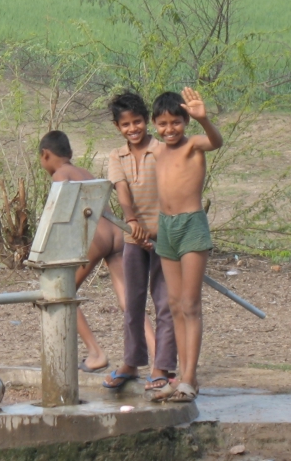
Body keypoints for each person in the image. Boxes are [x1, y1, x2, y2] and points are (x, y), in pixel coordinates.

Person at [38, 130, 155, 374]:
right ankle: (157, 353)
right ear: (70, 153)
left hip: (95, 236)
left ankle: (96, 353)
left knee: (61, 293)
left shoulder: (60, 175)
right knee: (128, 298)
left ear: (45, 155)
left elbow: (60, 214)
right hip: (116, 234)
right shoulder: (84, 172)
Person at [149, 88, 223, 402]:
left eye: (176, 123)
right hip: (166, 228)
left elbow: (216, 142)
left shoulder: (194, 145)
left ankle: (190, 378)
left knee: (191, 306)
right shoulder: (156, 151)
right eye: (163, 124)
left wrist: (204, 119)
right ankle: (179, 375)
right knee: (175, 305)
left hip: (191, 225)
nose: (170, 130)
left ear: (184, 122)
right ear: (155, 124)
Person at [102, 92, 176, 393]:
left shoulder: (162, 149)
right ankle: (131, 362)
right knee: (133, 302)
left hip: (166, 237)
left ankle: (162, 365)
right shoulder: (116, 156)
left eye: (138, 122)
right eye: (126, 124)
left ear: (146, 121)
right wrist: (132, 222)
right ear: (117, 127)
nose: (133, 128)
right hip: (134, 238)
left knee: (164, 303)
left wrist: (157, 231)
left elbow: (172, 190)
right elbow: (122, 193)